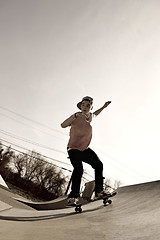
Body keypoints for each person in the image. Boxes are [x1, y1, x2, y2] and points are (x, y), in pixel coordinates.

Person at [61, 96, 111, 204]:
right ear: (80, 106)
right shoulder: (75, 116)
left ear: (90, 107)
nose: (85, 107)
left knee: (98, 164)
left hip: (84, 149)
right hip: (73, 148)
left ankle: (99, 192)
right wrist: (74, 116)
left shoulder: (91, 116)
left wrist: (104, 107)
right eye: (83, 105)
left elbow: (96, 113)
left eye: (88, 105)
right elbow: (63, 125)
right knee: (78, 169)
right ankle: (73, 196)